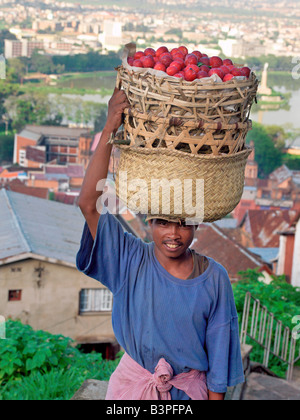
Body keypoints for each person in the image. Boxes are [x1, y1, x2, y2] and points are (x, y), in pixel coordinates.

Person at [76, 88, 245, 401]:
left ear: (197, 223)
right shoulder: (129, 259)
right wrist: (110, 125)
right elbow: (89, 203)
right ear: (148, 222)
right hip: (131, 391)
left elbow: (220, 357)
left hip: (188, 394)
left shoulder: (214, 278)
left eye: (184, 223)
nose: (174, 234)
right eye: (163, 222)